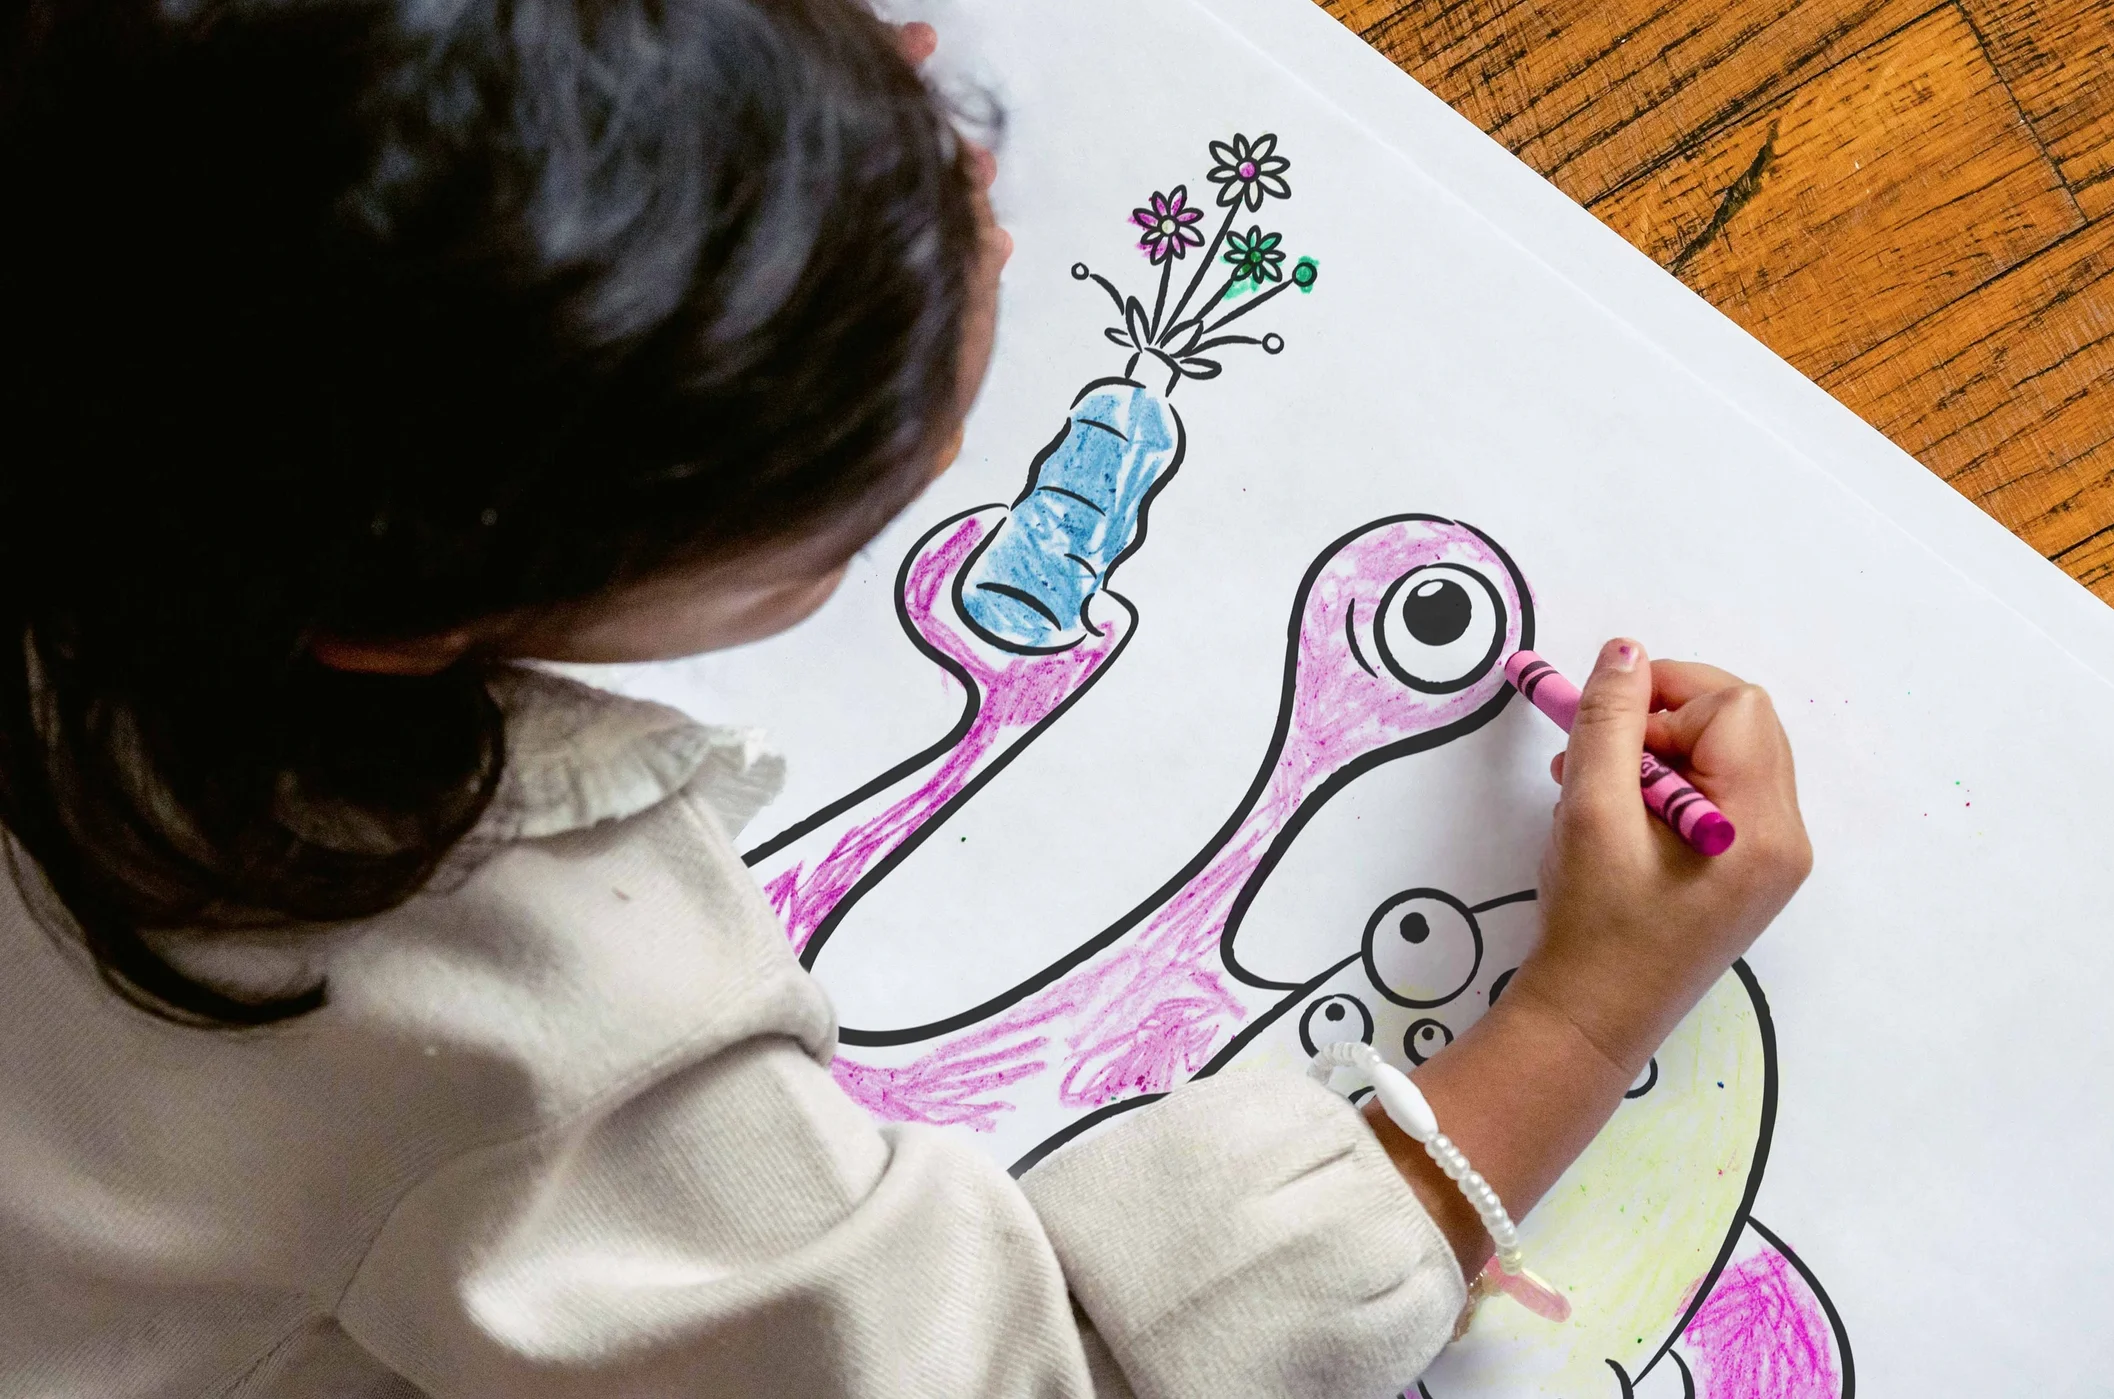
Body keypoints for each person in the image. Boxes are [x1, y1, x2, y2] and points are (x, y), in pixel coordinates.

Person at [0, 0, 1813, 1393]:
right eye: (842, 520)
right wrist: (1578, 1023)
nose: (1001, 245)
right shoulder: (525, 1023)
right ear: (395, 623)